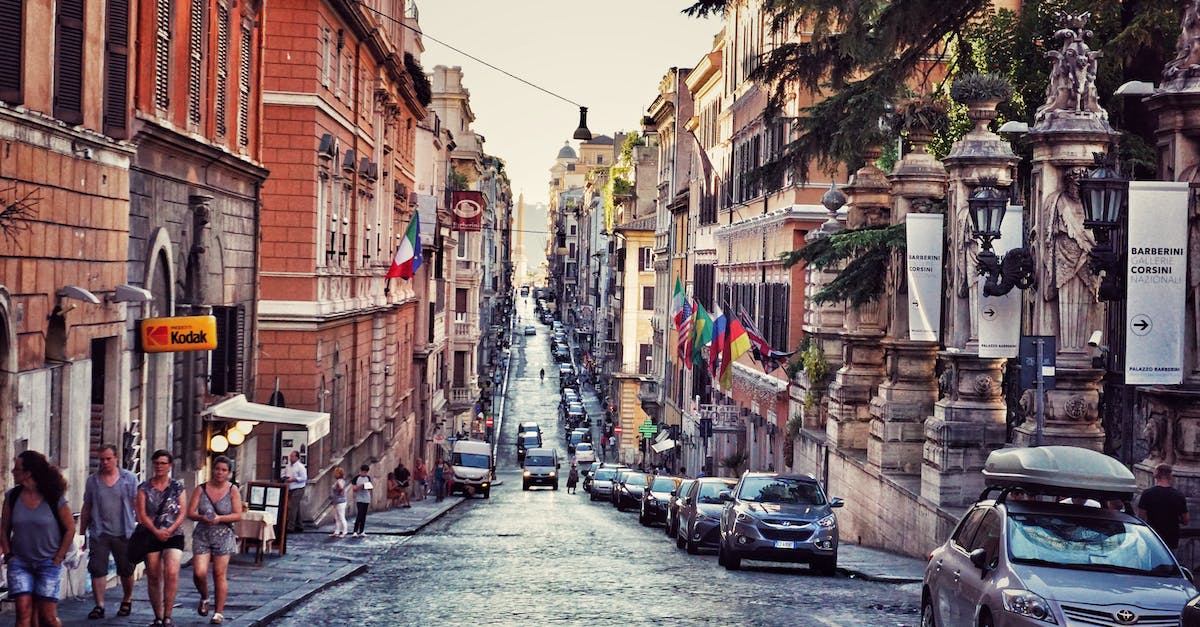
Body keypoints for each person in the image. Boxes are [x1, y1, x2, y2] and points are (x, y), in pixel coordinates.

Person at [1, 450, 76, 627]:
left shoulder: (53, 498)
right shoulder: (12, 497)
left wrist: (59, 557)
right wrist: (9, 555)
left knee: (47, 617)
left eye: (17, 469)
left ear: (28, 472)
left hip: (48, 563)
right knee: (23, 613)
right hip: (20, 562)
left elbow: (70, 528)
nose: (13, 471)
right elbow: (3, 528)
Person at [79, 444, 138, 620]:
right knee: (97, 568)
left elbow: (137, 504)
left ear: (116, 458)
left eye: (108, 459)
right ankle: (99, 605)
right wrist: (82, 532)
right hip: (99, 531)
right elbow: (87, 506)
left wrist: (142, 528)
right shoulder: (93, 481)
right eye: (102, 459)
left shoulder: (129, 479)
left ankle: (127, 599)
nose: (105, 462)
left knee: (126, 569)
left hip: (124, 531)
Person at [186, 455, 242, 624]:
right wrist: (203, 517)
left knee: (219, 574)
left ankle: (218, 612)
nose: (220, 472)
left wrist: (220, 519)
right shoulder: (201, 489)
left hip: (223, 535)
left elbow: (238, 514)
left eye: (224, 470)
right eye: (217, 469)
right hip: (203, 533)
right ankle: (204, 596)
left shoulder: (233, 490)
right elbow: (190, 513)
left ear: (229, 473)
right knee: (199, 572)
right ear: (213, 470)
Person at [137, 449, 187, 627]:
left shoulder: (177, 486)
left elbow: (183, 511)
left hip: (174, 534)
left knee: (171, 572)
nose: (159, 466)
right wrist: (156, 531)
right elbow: (141, 514)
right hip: (151, 534)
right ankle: (157, 616)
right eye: (157, 463)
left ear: (170, 466)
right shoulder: (144, 487)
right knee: (153, 574)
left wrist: (170, 529)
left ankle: (168, 615)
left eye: (163, 463)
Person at [1138, 462, 1190, 551]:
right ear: (1170, 476)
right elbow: (1186, 520)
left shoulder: (1147, 494)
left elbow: (1141, 518)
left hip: (1153, 535)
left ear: (1156, 474)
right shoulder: (1178, 495)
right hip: (1171, 536)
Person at [282, 450, 307, 533]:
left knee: (292, 507)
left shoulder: (300, 467)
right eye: (290, 456)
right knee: (296, 507)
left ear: (297, 457)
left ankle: (290, 526)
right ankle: (299, 525)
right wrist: (285, 478)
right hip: (290, 488)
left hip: (298, 488)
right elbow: (285, 474)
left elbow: (304, 478)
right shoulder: (288, 466)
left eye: (292, 456)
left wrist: (295, 479)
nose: (291, 458)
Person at [350, 464, 373, 537]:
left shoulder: (368, 478)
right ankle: (355, 531)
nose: (365, 474)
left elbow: (370, 488)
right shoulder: (356, 478)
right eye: (364, 472)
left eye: (366, 472)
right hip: (359, 498)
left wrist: (368, 487)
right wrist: (361, 485)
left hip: (366, 498)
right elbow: (354, 489)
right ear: (361, 471)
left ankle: (362, 531)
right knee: (359, 515)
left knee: (363, 515)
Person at [329, 467, 349, 537]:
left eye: (335, 473)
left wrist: (340, 493)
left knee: (341, 516)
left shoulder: (340, 481)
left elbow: (341, 487)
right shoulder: (339, 481)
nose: (334, 474)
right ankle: (337, 531)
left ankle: (344, 531)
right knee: (337, 517)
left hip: (340, 501)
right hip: (337, 501)